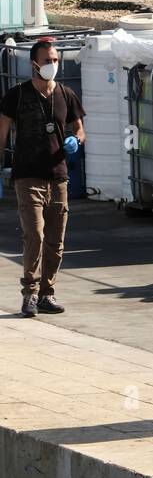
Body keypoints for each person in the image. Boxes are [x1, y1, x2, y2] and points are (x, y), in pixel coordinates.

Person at [0, 38, 86, 317]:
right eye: (47, 60)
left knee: (55, 240)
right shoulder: (17, 95)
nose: (53, 65)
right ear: (34, 64)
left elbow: (79, 128)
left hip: (58, 176)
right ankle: (30, 293)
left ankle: (48, 293)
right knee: (34, 235)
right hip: (27, 176)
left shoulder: (66, 94)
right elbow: (2, 132)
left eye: (56, 60)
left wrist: (76, 140)